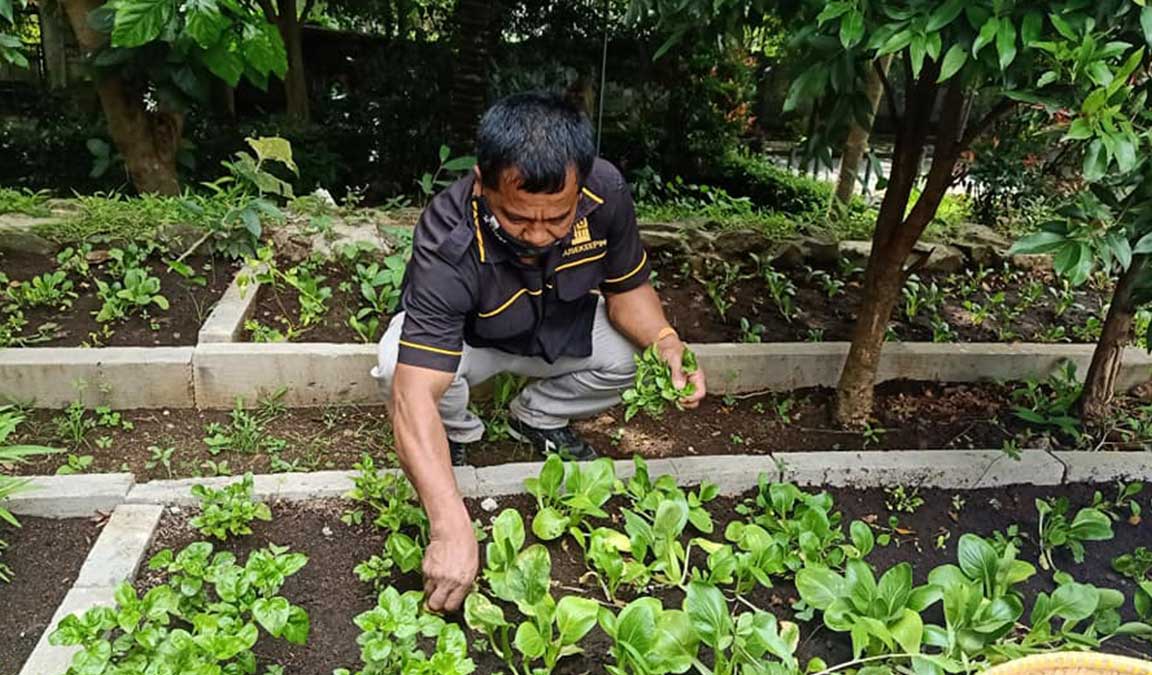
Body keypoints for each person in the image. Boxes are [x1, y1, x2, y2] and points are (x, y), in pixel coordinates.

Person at [371, 91, 707, 613]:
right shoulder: (447, 234)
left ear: (582, 187)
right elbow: (415, 391)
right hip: (471, 344)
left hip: (555, 333)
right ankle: (458, 434)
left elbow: (628, 290)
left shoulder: (607, 193)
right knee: (398, 364)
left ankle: (537, 417)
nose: (538, 235)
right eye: (519, 219)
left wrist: (666, 341)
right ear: (483, 185)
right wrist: (451, 524)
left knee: (628, 356)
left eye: (557, 220)